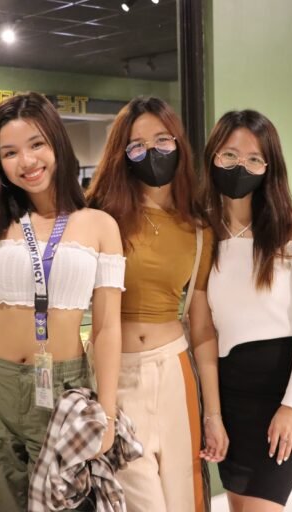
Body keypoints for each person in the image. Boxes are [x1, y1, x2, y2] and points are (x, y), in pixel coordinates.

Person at [0, 92, 124, 511]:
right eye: (10, 152)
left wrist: (108, 411)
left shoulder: (99, 225)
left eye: (36, 144)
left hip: (64, 387)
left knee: (65, 501)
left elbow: (106, 327)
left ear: (56, 144)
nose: (26, 161)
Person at [86, 96, 228, 512]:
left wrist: (213, 414)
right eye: (137, 145)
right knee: (139, 502)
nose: (152, 152)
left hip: (174, 372)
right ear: (122, 155)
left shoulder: (198, 228)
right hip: (114, 374)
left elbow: (202, 328)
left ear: (179, 144)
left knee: (185, 499)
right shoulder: (101, 217)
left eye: (163, 140)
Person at [203, 110, 292, 511]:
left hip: (283, 385)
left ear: (269, 167)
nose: (241, 166)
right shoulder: (204, 230)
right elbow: (203, 325)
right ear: (213, 155)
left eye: (254, 159)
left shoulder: (290, 224)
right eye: (230, 154)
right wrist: (212, 413)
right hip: (230, 389)